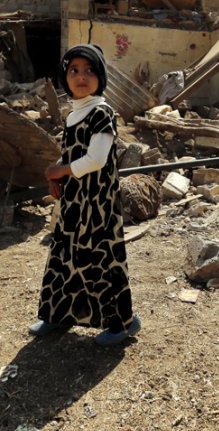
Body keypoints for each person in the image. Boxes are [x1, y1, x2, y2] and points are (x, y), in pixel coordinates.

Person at [30, 43, 141, 346]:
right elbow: (70, 155)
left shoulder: (102, 113)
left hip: (98, 203)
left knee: (102, 261)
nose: (81, 76)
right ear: (65, 76)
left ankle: (124, 322)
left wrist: (59, 171)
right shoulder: (72, 115)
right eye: (74, 70)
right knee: (63, 254)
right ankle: (56, 314)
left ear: (101, 77)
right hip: (75, 202)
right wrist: (58, 179)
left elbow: (96, 159)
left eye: (90, 70)